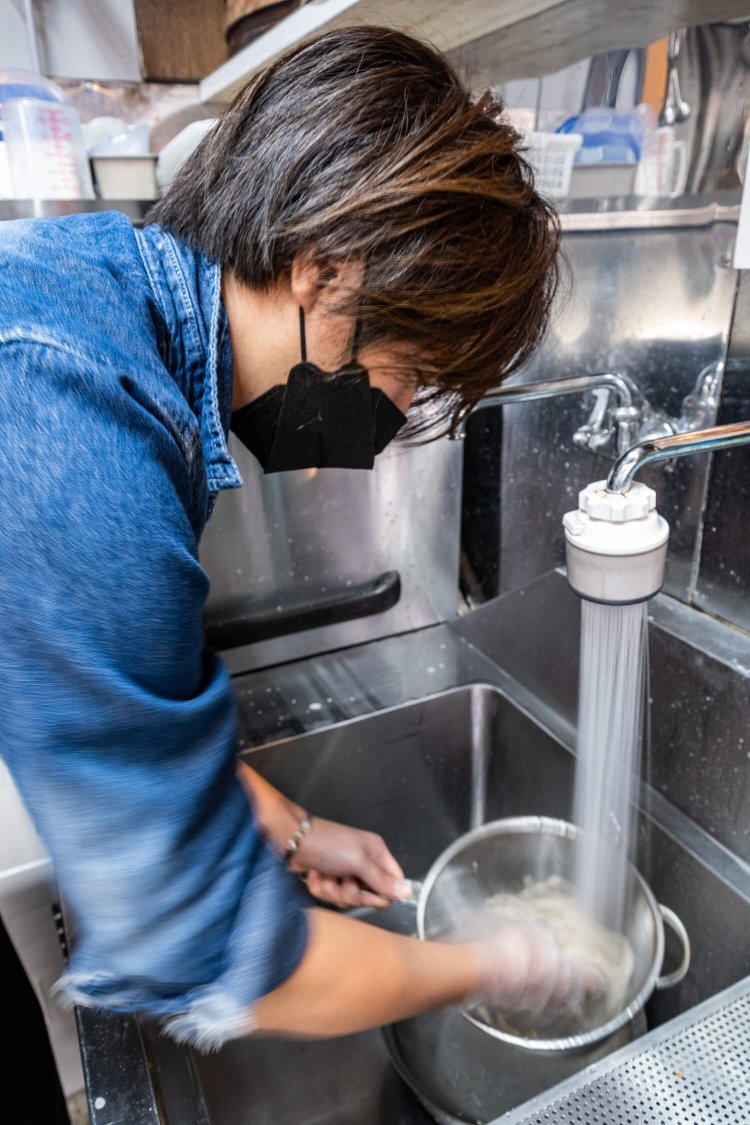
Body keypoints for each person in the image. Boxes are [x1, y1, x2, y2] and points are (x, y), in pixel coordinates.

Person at [0, 25, 597, 1055]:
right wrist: (505, 960)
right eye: (415, 373)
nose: (401, 416)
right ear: (325, 274)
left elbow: (144, 706)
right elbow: (213, 957)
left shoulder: (106, 302)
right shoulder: (79, 423)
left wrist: (296, 827)